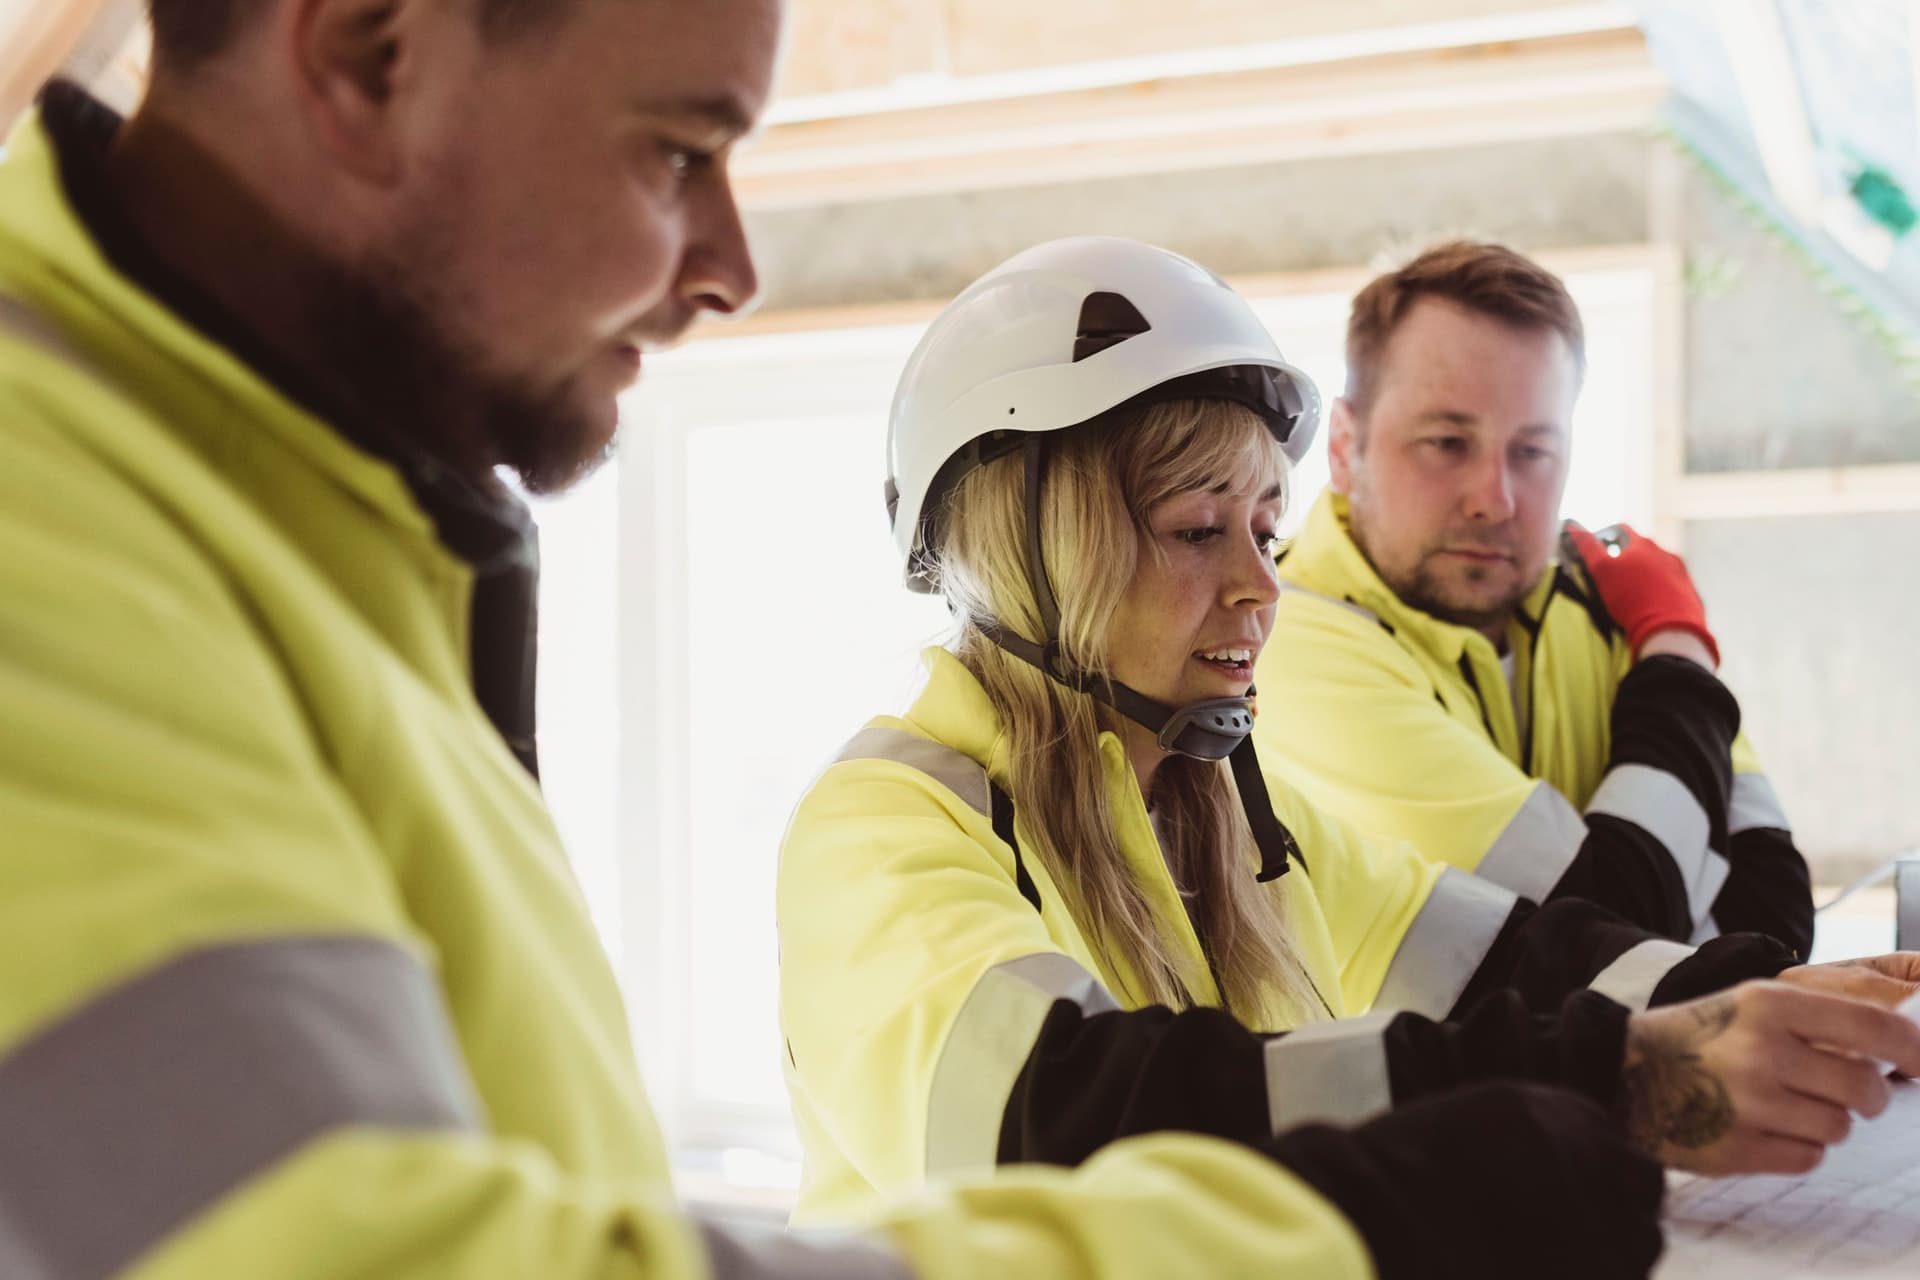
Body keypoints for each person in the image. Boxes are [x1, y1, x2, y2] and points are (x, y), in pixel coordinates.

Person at [0, 4, 1597, 1278]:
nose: (731, 265)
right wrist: (1333, 1231)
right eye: (680, 146)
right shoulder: (46, 525)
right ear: (367, 51)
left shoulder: (302, 536)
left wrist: (1643, 1055)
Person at [777, 235, 1920, 1260]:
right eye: (1196, 530)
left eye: (1265, 530)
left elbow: (1516, 962)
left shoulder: (1224, 809)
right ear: (1024, 552)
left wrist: (1793, 1000)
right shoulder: (882, 826)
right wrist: (1623, 1075)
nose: (1262, 586)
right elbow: (1061, 1119)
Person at [1249, 240, 1814, 956]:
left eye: (1534, 451)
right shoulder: (1283, 642)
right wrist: (1676, 646)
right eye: (1447, 442)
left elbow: (1774, 921)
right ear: (1342, 445)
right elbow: (1615, 926)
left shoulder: (1603, 599)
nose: (1496, 499)